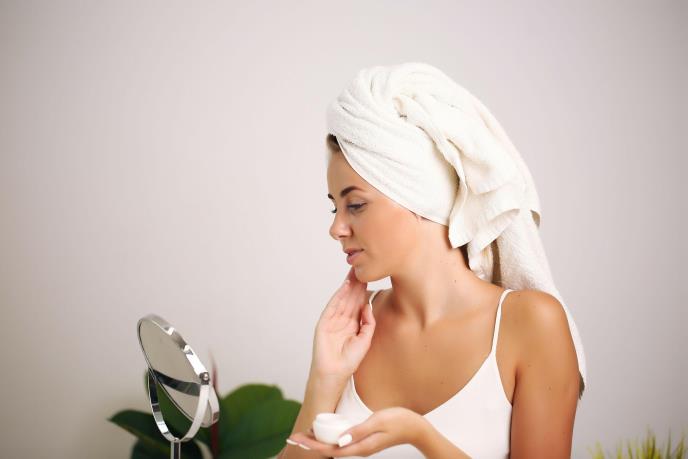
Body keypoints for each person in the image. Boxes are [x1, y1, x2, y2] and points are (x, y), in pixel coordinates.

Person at [279, 63, 585, 458]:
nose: (336, 228)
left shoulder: (530, 325)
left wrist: (419, 435)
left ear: (419, 198)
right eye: (334, 207)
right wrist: (324, 378)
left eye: (355, 205)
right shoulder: (351, 331)